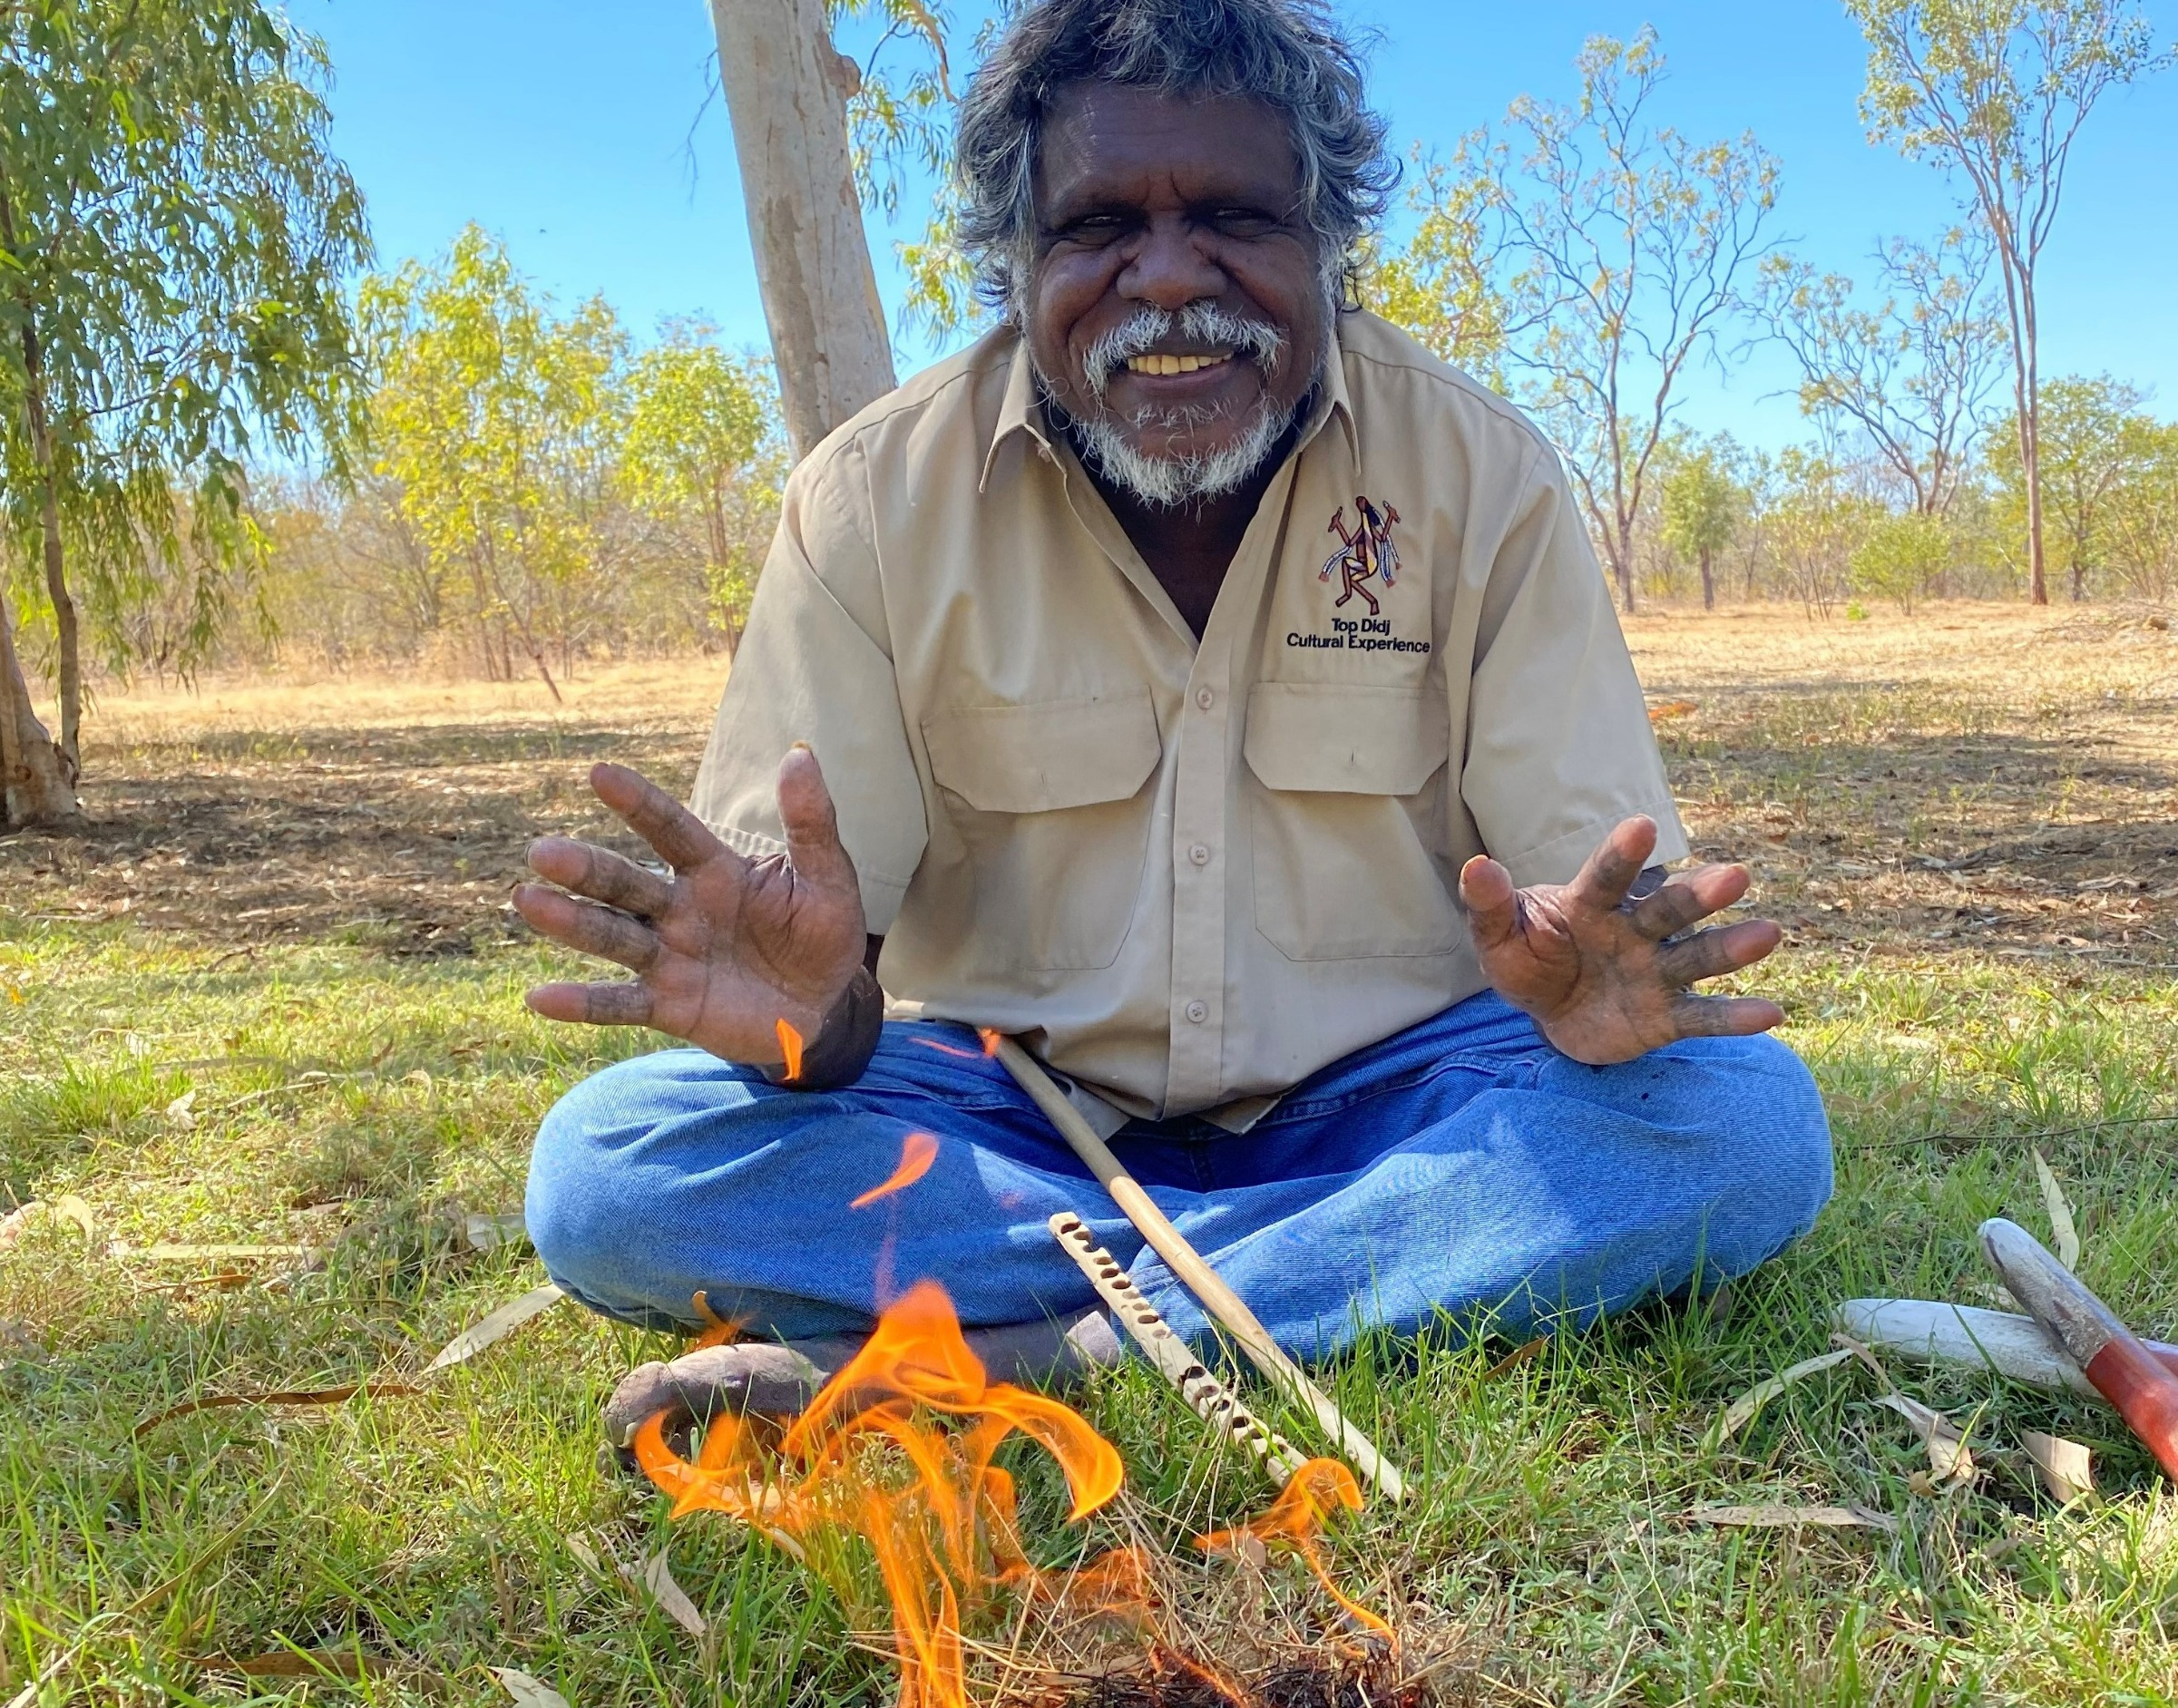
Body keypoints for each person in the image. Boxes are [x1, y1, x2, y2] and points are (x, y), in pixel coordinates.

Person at [514, 0, 1833, 1448]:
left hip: (1388, 1104)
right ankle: (1343, 1272)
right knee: (606, 1169)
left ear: (1325, 243)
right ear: (1017, 262)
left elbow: (1595, 925)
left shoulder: (1483, 478)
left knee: (1744, 1124)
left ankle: (1055, 1354)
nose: (1165, 281)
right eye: (1096, 228)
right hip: (1005, 1122)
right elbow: (812, 1003)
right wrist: (810, 1024)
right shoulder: (869, 503)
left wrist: (1591, 1001)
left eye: (1232, 217)